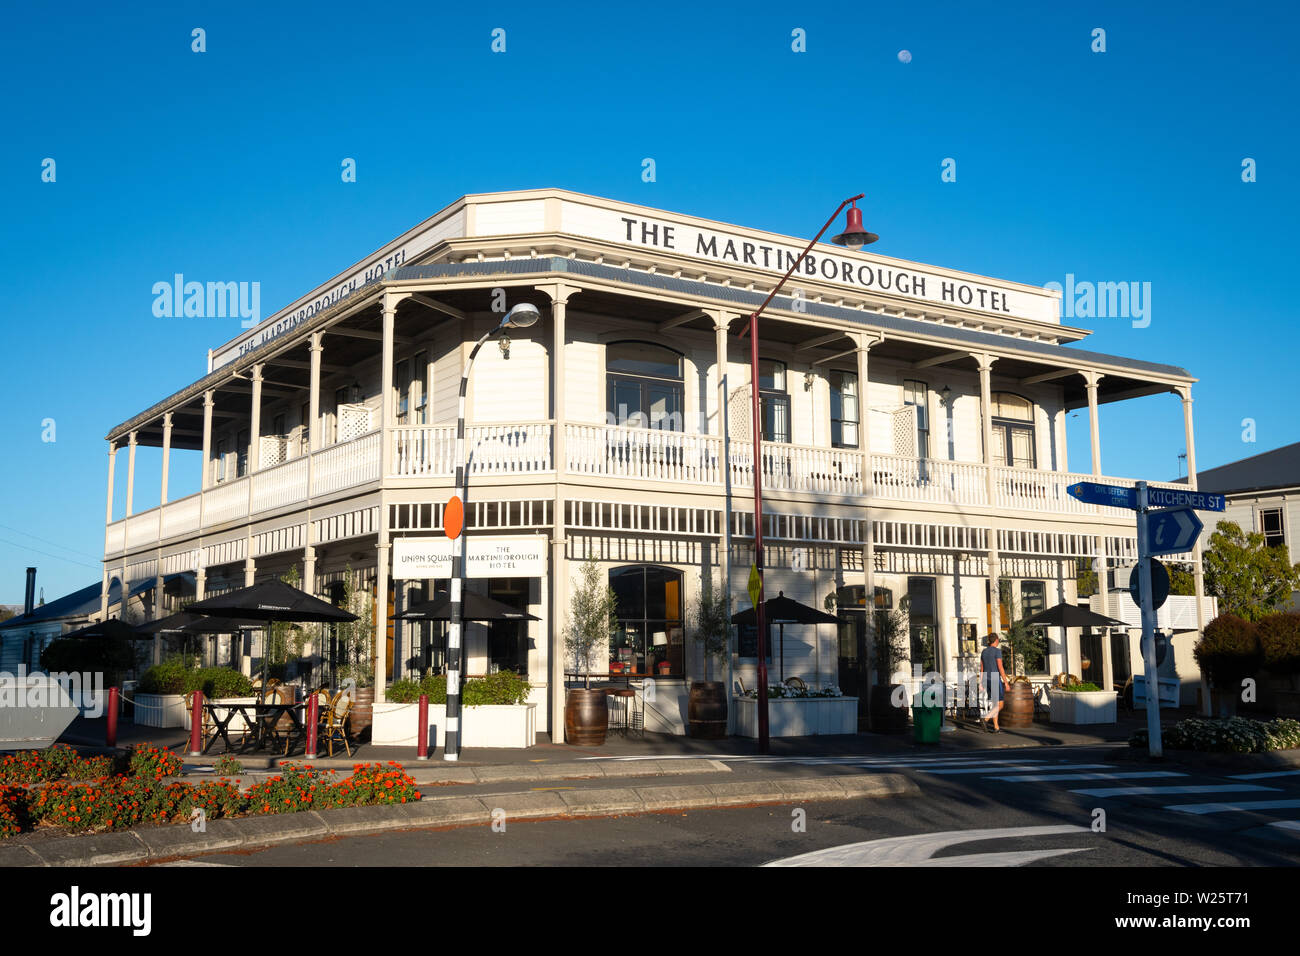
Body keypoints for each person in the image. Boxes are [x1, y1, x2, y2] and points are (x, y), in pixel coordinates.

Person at [980, 632, 1009, 732]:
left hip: (987, 680)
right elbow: (1000, 667)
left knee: (994, 704)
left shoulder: (984, 652)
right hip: (995, 679)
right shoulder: (997, 651)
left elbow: (982, 668)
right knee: (1000, 705)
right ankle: (986, 719)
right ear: (996, 640)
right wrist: (1006, 682)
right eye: (998, 641)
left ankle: (996, 727)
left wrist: (981, 682)